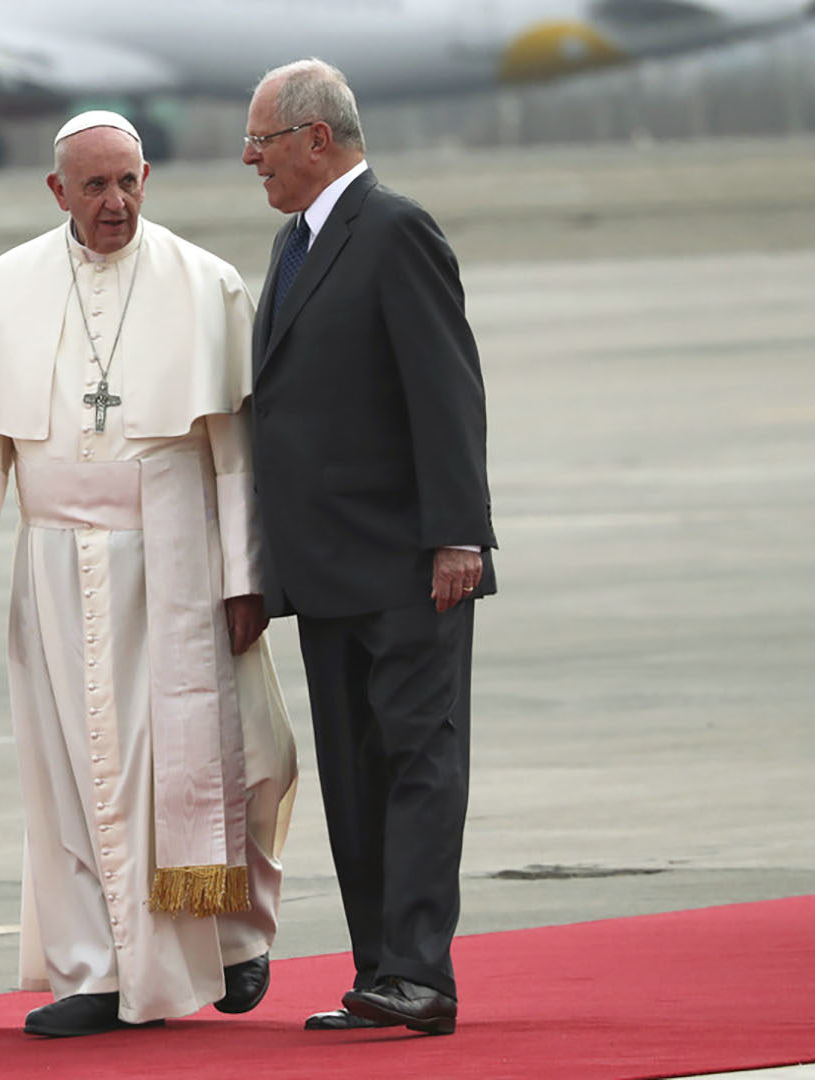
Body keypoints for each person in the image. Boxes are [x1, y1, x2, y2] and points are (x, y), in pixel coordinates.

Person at [0, 110, 298, 1039]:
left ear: (150, 181)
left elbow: (235, 456)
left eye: (130, 182)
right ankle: (95, 971)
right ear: (58, 192)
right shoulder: (7, 284)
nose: (116, 202)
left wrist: (245, 575)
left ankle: (232, 939)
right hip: (53, 562)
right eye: (95, 186)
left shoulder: (203, 282)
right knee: (68, 771)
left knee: (235, 760)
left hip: (173, 555)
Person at [241, 60, 497, 1037]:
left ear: (316, 137)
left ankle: (422, 972)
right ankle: (380, 970)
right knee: (352, 775)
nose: (250, 160)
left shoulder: (394, 231)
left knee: (417, 761)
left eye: (260, 141)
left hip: (408, 565)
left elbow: (446, 392)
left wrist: (457, 536)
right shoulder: (294, 242)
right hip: (326, 572)